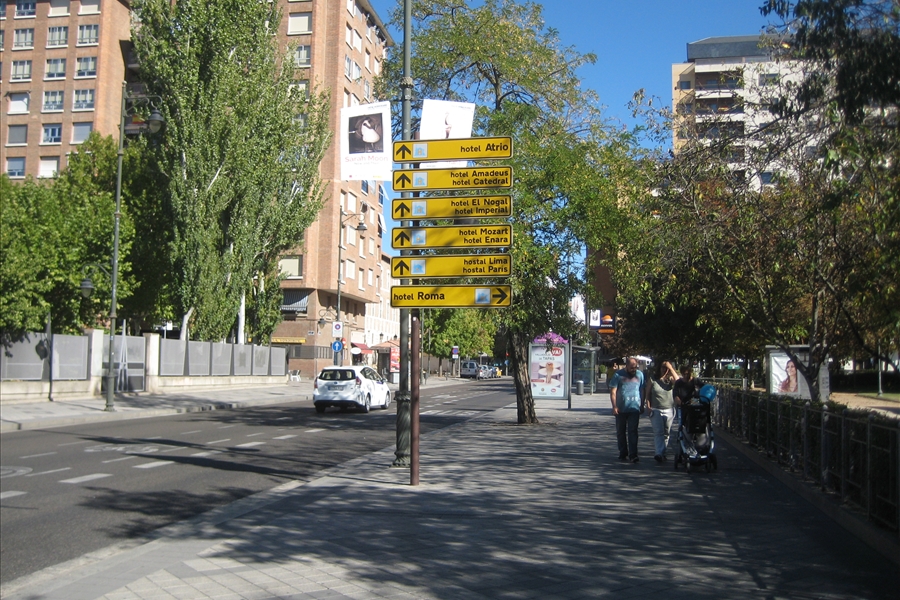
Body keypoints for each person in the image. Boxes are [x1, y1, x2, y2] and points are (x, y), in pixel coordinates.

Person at [609, 357, 645, 463]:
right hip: (621, 408)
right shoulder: (618, 375)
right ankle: (623, 452)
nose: (634, 370)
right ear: (627, 366)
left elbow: (642, 390)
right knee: (621, 431)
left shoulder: (640, 375)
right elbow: (613, 391)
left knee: (633, 431)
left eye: (635, 367)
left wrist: (642, 404)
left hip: (634, 408)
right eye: (631, 368)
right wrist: (614, 406)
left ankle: (633, 454)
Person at [645, 361, 680, 463]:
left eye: (666, 368)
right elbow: (647, 393)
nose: (664, 370)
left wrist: (671, 369)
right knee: (658, 432)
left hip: (669, 409)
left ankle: (662, 452)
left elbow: (679, 383)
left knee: (666, 432)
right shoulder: (653, 379)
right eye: (662, 367)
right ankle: (659, 453)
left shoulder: (670, 379)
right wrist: (648, 406)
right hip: (656, 409)